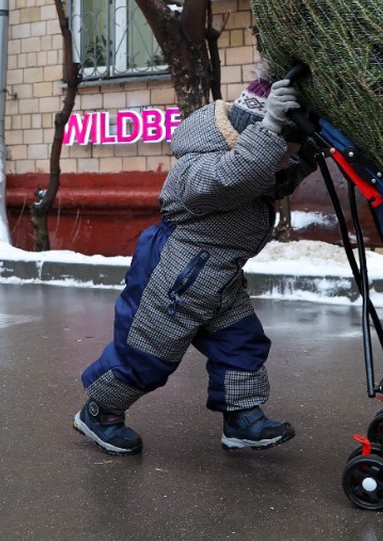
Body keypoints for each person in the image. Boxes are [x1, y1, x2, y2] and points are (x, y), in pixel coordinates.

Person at [74, 75, 318, 455]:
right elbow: (231, 178)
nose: (284, 161)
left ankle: (242, 419)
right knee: (147, 351)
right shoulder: (200, 167)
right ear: (251, 135)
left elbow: (272, 179)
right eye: (282, 151)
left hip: (219, 277)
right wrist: (271, 128)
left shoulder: (257, 163)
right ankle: (100, 411)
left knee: (242, 342)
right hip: (176, 275)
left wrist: (311, 154)